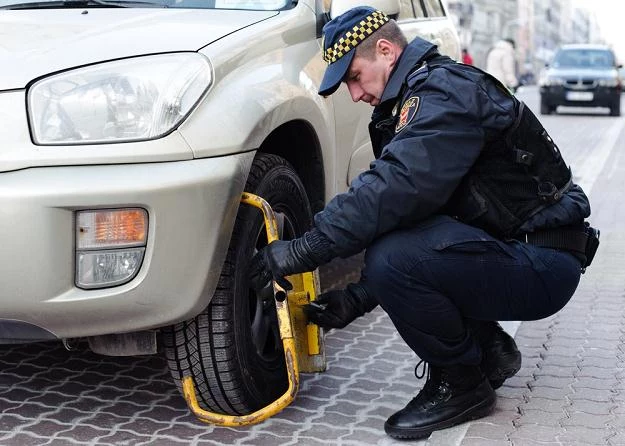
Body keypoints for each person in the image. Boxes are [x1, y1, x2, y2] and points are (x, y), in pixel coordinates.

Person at [249, 6, 597, 440]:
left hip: (543, 260)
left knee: (394, 258)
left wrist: (303, 250)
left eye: (355, 76)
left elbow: (391, 189)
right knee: (400, 247)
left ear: (385, 49)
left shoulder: (444, 94)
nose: (355, 94)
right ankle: (489, 352)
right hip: (519, 249)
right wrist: (356, 299)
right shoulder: (423, 93)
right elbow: (419, 217)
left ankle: (462, 385)